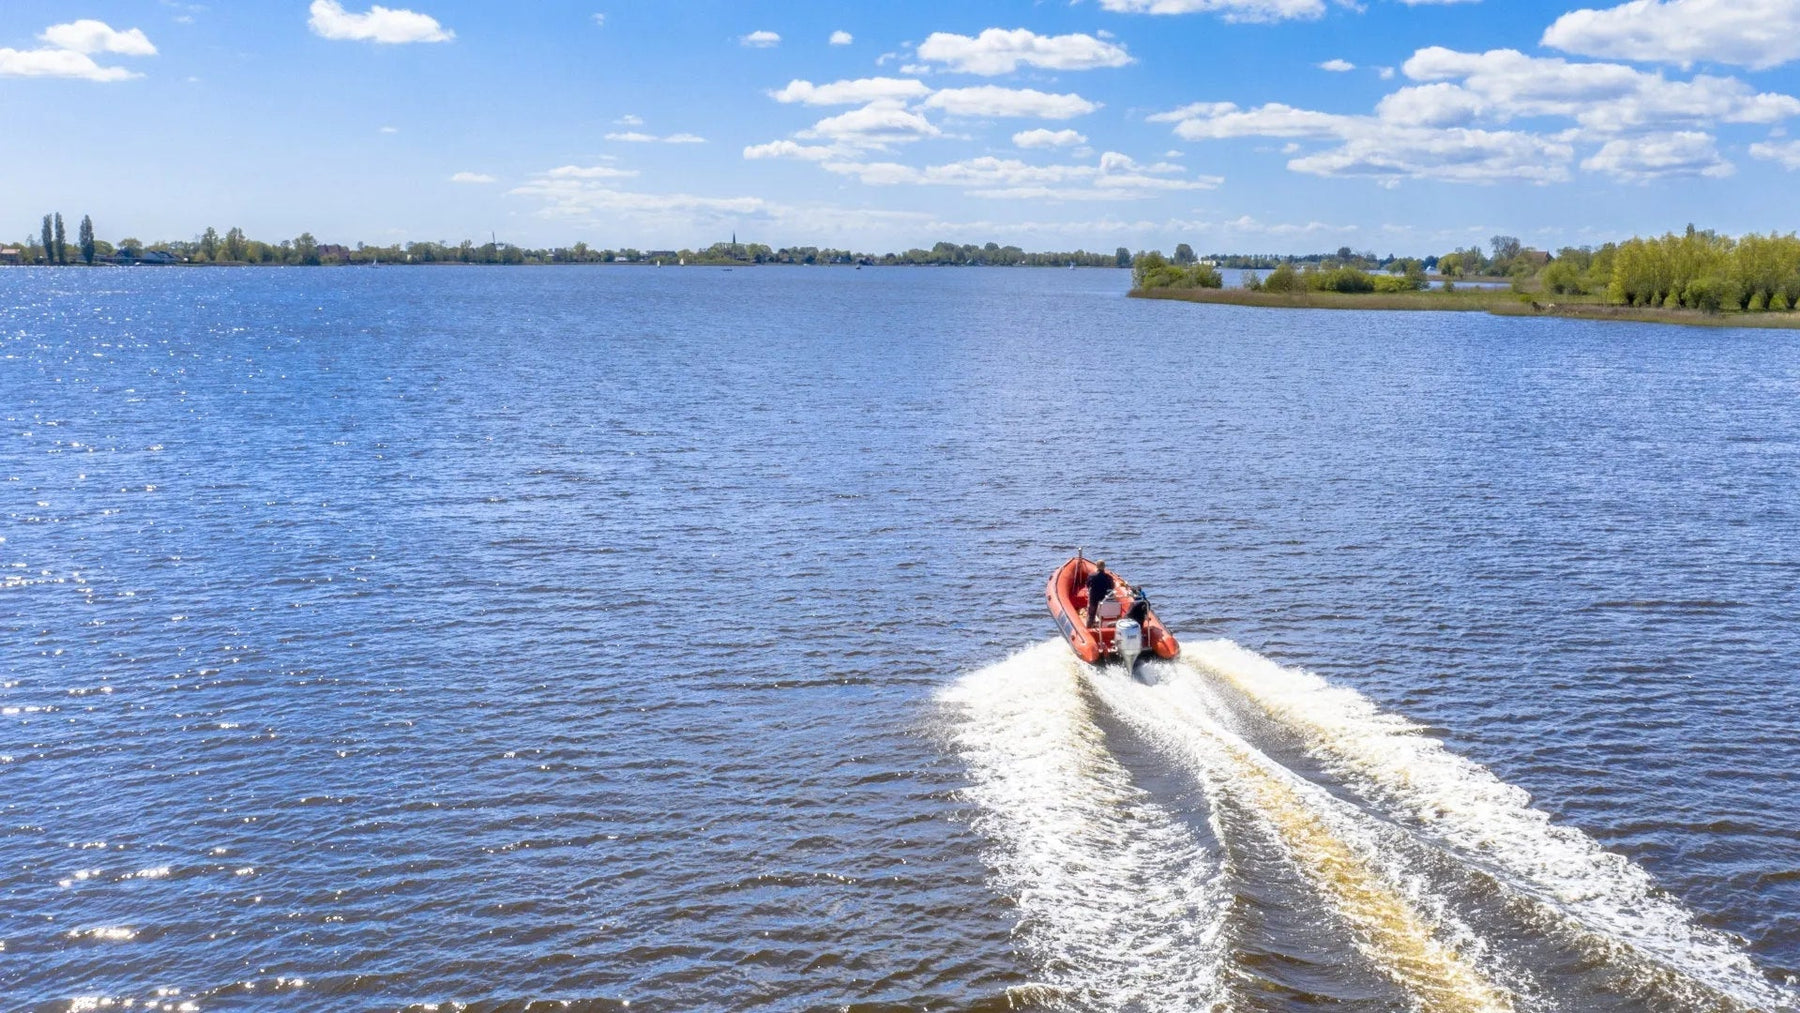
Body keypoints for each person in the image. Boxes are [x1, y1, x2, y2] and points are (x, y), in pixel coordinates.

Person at [1084, 561, 1116, 627]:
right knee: (1103, 612)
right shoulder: (1108, 577)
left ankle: (1089, 627)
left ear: (1096, 566)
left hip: (1094, 598)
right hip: (1104, 598)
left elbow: (1087, 585)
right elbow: (1112, 587)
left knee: (1091, 614)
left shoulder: (1091, 576)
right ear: (1104, 567)